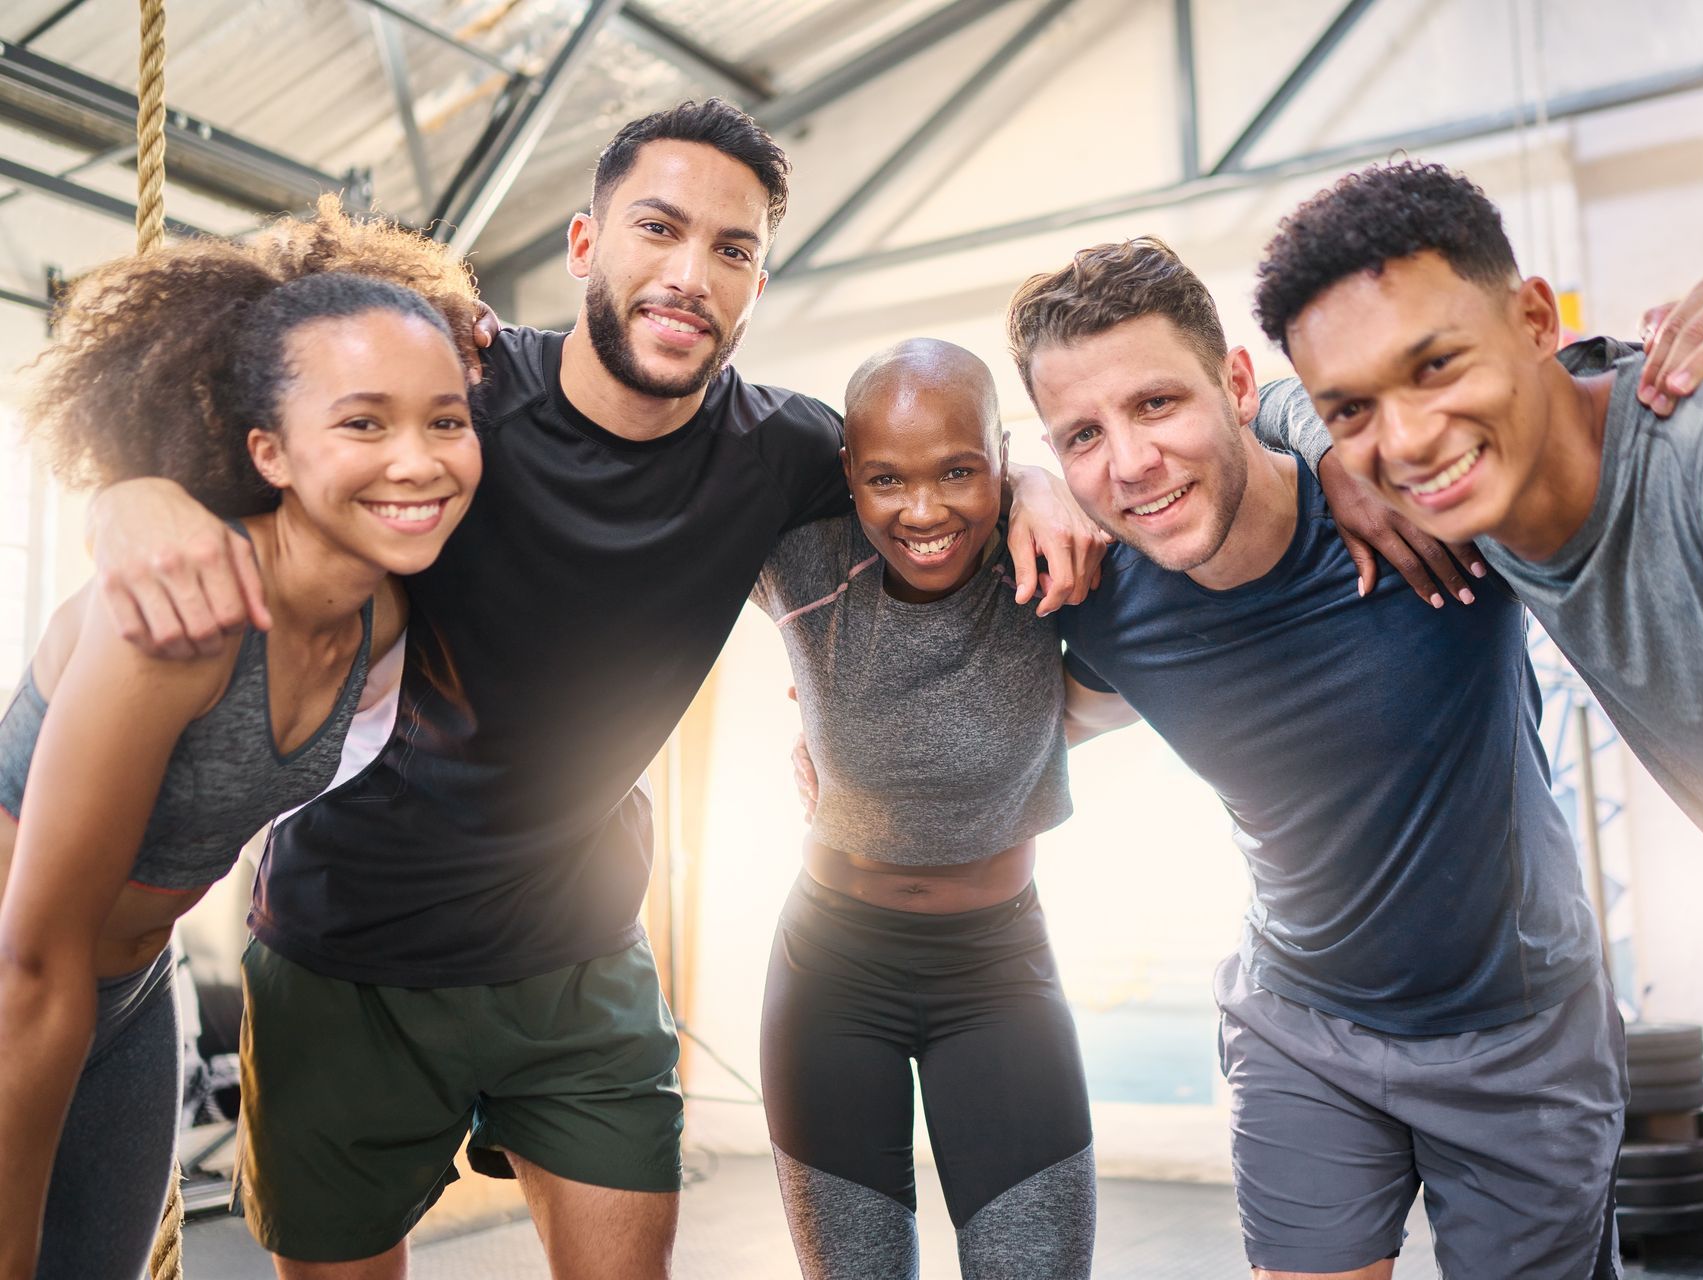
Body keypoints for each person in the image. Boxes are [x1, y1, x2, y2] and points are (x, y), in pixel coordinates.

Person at [85, 99, 1105, 1279]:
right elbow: (254, 415)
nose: (689, 274)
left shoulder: (782, 455)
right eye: (658, 229)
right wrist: (129, 491)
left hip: (579, 956)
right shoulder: (454, 398)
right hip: (342, 950)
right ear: (583, 244)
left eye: (733, 250)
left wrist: (1042, 480)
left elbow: (934, 469)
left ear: (757, 284)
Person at [1000, 236, 1703, 1280]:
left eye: (1157, 404)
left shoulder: (1424, 508)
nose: (1128, 461)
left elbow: (1580, 401)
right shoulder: (1105, 599)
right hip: (1300, 1026)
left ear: (1237, 381)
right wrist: (1014, 485)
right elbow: (1017, 715)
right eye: (1080, 434)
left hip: (1519, 1030)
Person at [1252, 160, 1703, 1280]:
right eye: (1354, 405)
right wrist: (1327, 450)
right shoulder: (1478, 488)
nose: (1408, 437)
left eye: (1436, 364)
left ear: (1533, 318)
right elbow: (1248, 405)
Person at [0, 206, 482, 1280]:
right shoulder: (181, 620)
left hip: (131, 996)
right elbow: (32, 958)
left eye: (446, 420)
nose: (417, 458)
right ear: (267, 447)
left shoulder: (385, 618)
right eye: (363, 422)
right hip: (18, 978)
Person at [755, 339, 1095, 1279]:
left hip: (998, 968)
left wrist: (1042, 481)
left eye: (959, 470)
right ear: (848, 479)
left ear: (1000, 454)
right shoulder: (801, 559)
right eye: (885, 479)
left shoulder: (1050, 555)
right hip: (830, 969)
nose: (924, 510)